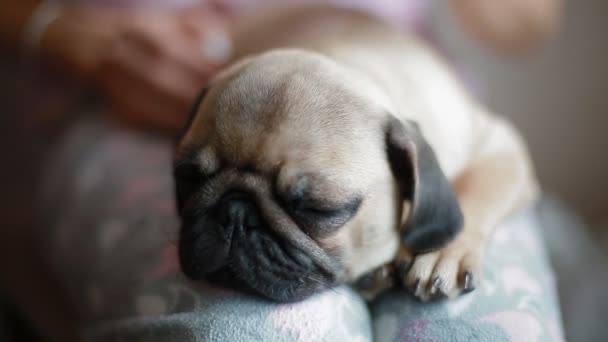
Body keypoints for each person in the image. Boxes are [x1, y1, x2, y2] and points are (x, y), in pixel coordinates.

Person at [0, 1, 564, 341]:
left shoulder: (435, 122)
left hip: (384, 71)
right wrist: (66, 32)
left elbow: (503, 148)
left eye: (313, 205)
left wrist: (468, 229)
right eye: (196, 180)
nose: (236, 227)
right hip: (133, 92)